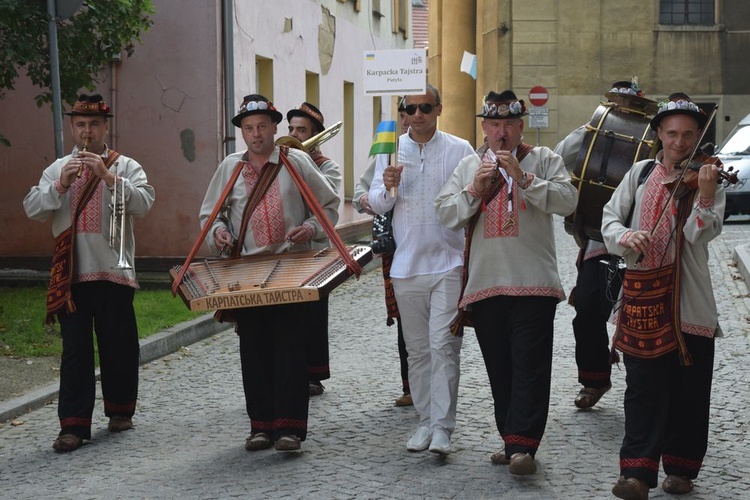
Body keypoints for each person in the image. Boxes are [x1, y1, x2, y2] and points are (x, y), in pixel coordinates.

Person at [435, 90, 577, 475]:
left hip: (535, 284)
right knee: (501, 368)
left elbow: (568, 200)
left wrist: (525, 178)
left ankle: (522, 447)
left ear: (520, 127)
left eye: (509, 125)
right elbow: (446, 214)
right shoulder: (469, 166)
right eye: (494, 125)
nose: (501, 133)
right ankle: (511, 438)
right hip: (485, 286)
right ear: (484, 127)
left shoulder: (544, 160)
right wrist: (475, 190)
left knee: (530, 365)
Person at [199, 94, 339, 452]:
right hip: (247, 272)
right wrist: (220, 234)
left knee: (290, 348)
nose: (256, 133)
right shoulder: (229, 167)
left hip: (292, 270)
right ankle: (260, 426)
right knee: (254, 348)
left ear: (275, 127)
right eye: (248, 128)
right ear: (241, 132)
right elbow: (209, 216)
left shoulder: (298, 162)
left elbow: (327, 205)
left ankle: (290, 429)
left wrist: (310, 229)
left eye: (262, 126)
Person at [602, 93, 724, 499]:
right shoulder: (638, 174)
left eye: (688, 134)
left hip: (688, 299)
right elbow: (610, 218)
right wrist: (625, 235)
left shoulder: (707, 176)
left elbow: (698, 233)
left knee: (689, 388)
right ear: (658, 134)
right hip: (641, 297)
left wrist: (704, 196)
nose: (680, 142)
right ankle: (636, 472)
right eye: (672, 133)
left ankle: (682, 468)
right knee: (642, 388)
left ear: (696, 137)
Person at [23, 94, 155, 452]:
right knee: (76, 351)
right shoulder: (58, 167)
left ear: (105, 127)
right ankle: (74, 426)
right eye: (80, 124)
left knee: (119, 345)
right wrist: (60, 186)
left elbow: (144, 204)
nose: (87, 131)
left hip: (114, 269)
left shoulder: (126, 166)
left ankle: (120, 410)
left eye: (94, 124)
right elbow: (32, 208)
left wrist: (109, 177)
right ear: (72, 127)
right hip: (72, 275)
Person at [368, 85, 474, 455]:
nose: (417, 114)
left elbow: (474, 199)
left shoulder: (461, 149)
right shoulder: (390, 149)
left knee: (444, 346)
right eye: (409, 108)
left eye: (425, 107)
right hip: (406, 266)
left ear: (438, 108)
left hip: (449, 261)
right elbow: (371, 202)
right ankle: (425, 422)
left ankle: (443, 428)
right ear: (402, 111)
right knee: (417, 351)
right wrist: (387, 187)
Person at [555, 80, 654, 409]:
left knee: (641, 315)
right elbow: (560, 158)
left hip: (641, 242)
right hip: (598, 240)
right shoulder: (595, 128)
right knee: (586, 312)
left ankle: (646, 385)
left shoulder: (654, 136)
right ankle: (594, 379)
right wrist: (592, 128)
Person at [353, 103, 413, 407]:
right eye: (406, 114)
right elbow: (359, 194)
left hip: (427, 247)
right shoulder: (386, 149)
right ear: (401, 119)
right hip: (395, 246)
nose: (411, 120)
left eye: (419, 112)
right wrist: (372, 200)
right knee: (404, 317)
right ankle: (410, 385)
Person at [286, 102, 342, 396]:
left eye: (302, 130)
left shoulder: (327, 167)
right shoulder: (282, 160)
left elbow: (326, 205)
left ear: (316, 135)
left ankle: (312, 374)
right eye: (291, 129)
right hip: (285, 249)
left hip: (315, 249)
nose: (295, 135)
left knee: (312, 313)